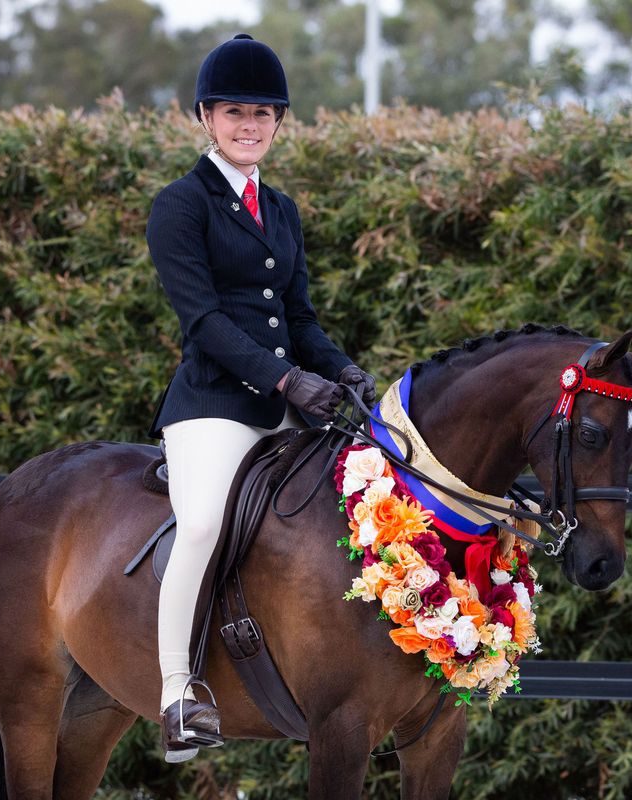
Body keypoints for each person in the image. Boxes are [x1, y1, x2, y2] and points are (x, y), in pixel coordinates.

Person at [145, 33, 377, 763]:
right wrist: (285, 380)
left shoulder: (279, 209)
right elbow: (204, 322)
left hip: (292, 405)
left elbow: (299, 318)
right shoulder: (181, 205)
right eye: (236, 112)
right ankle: (179, 691)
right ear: (207, 117)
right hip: (214, 407)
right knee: (206, 522)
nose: (251, 125)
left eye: (264, 113)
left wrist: (342, 372)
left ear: (280, 122)